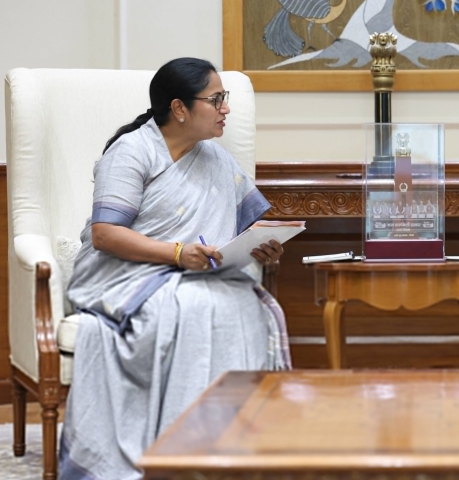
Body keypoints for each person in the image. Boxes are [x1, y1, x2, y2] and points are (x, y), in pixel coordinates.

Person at [59, 57, 291, 479]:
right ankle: (178, 450)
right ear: (179, 108)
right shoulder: (132, 152)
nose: (226, 108)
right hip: (124, 275)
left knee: (247, 304)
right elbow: (105, 235)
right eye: (216, 99)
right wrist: (178, 253)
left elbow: (248, 224)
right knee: (196, 305)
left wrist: (261, 246)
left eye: (226, 98)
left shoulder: (216, 160)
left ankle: (234, 447)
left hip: (196, 274)